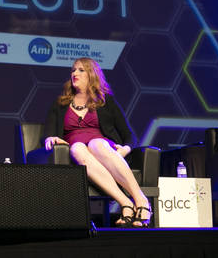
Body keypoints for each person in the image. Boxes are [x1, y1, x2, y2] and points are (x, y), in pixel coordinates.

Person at [41, 57, 151, 227]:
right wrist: (50, 137)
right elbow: (48, 131)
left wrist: (125, 149)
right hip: (77, 151)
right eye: (73, 70)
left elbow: (129, 134)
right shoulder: (60, 103)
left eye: (81, 70)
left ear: (92, 74)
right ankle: (126, 203)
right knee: (77, 148)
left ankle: (141, 201)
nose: (75, 73)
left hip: (102, 148)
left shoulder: (105, 101)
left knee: (96, 144)